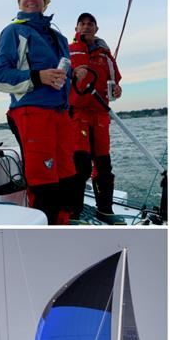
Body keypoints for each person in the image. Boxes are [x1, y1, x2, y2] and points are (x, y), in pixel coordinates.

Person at [0, 0, 76, 224]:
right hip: (32, 114)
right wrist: (39, 77)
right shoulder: (13, 32)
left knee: (68, 175)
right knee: (44, 180)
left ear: (44, 0)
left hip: (61, 114)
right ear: (19, 2)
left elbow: (64, 73)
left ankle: (63, 224)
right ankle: (45, 228)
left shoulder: (59, 37)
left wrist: (73, 74)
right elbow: (0, 78)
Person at [68, 13, 125, 224]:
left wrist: (117, 90)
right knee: (80, 165)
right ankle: (73, 212)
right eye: (82, 23)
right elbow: (59, 77)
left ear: (96, 29)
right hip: (76, 115)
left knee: (103, 165)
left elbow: (115, 81)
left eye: (90, 24)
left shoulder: (106, 56)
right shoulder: (67, 50)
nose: (86, 27)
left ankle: (105, 210)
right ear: (76, 27)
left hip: (101, 117)